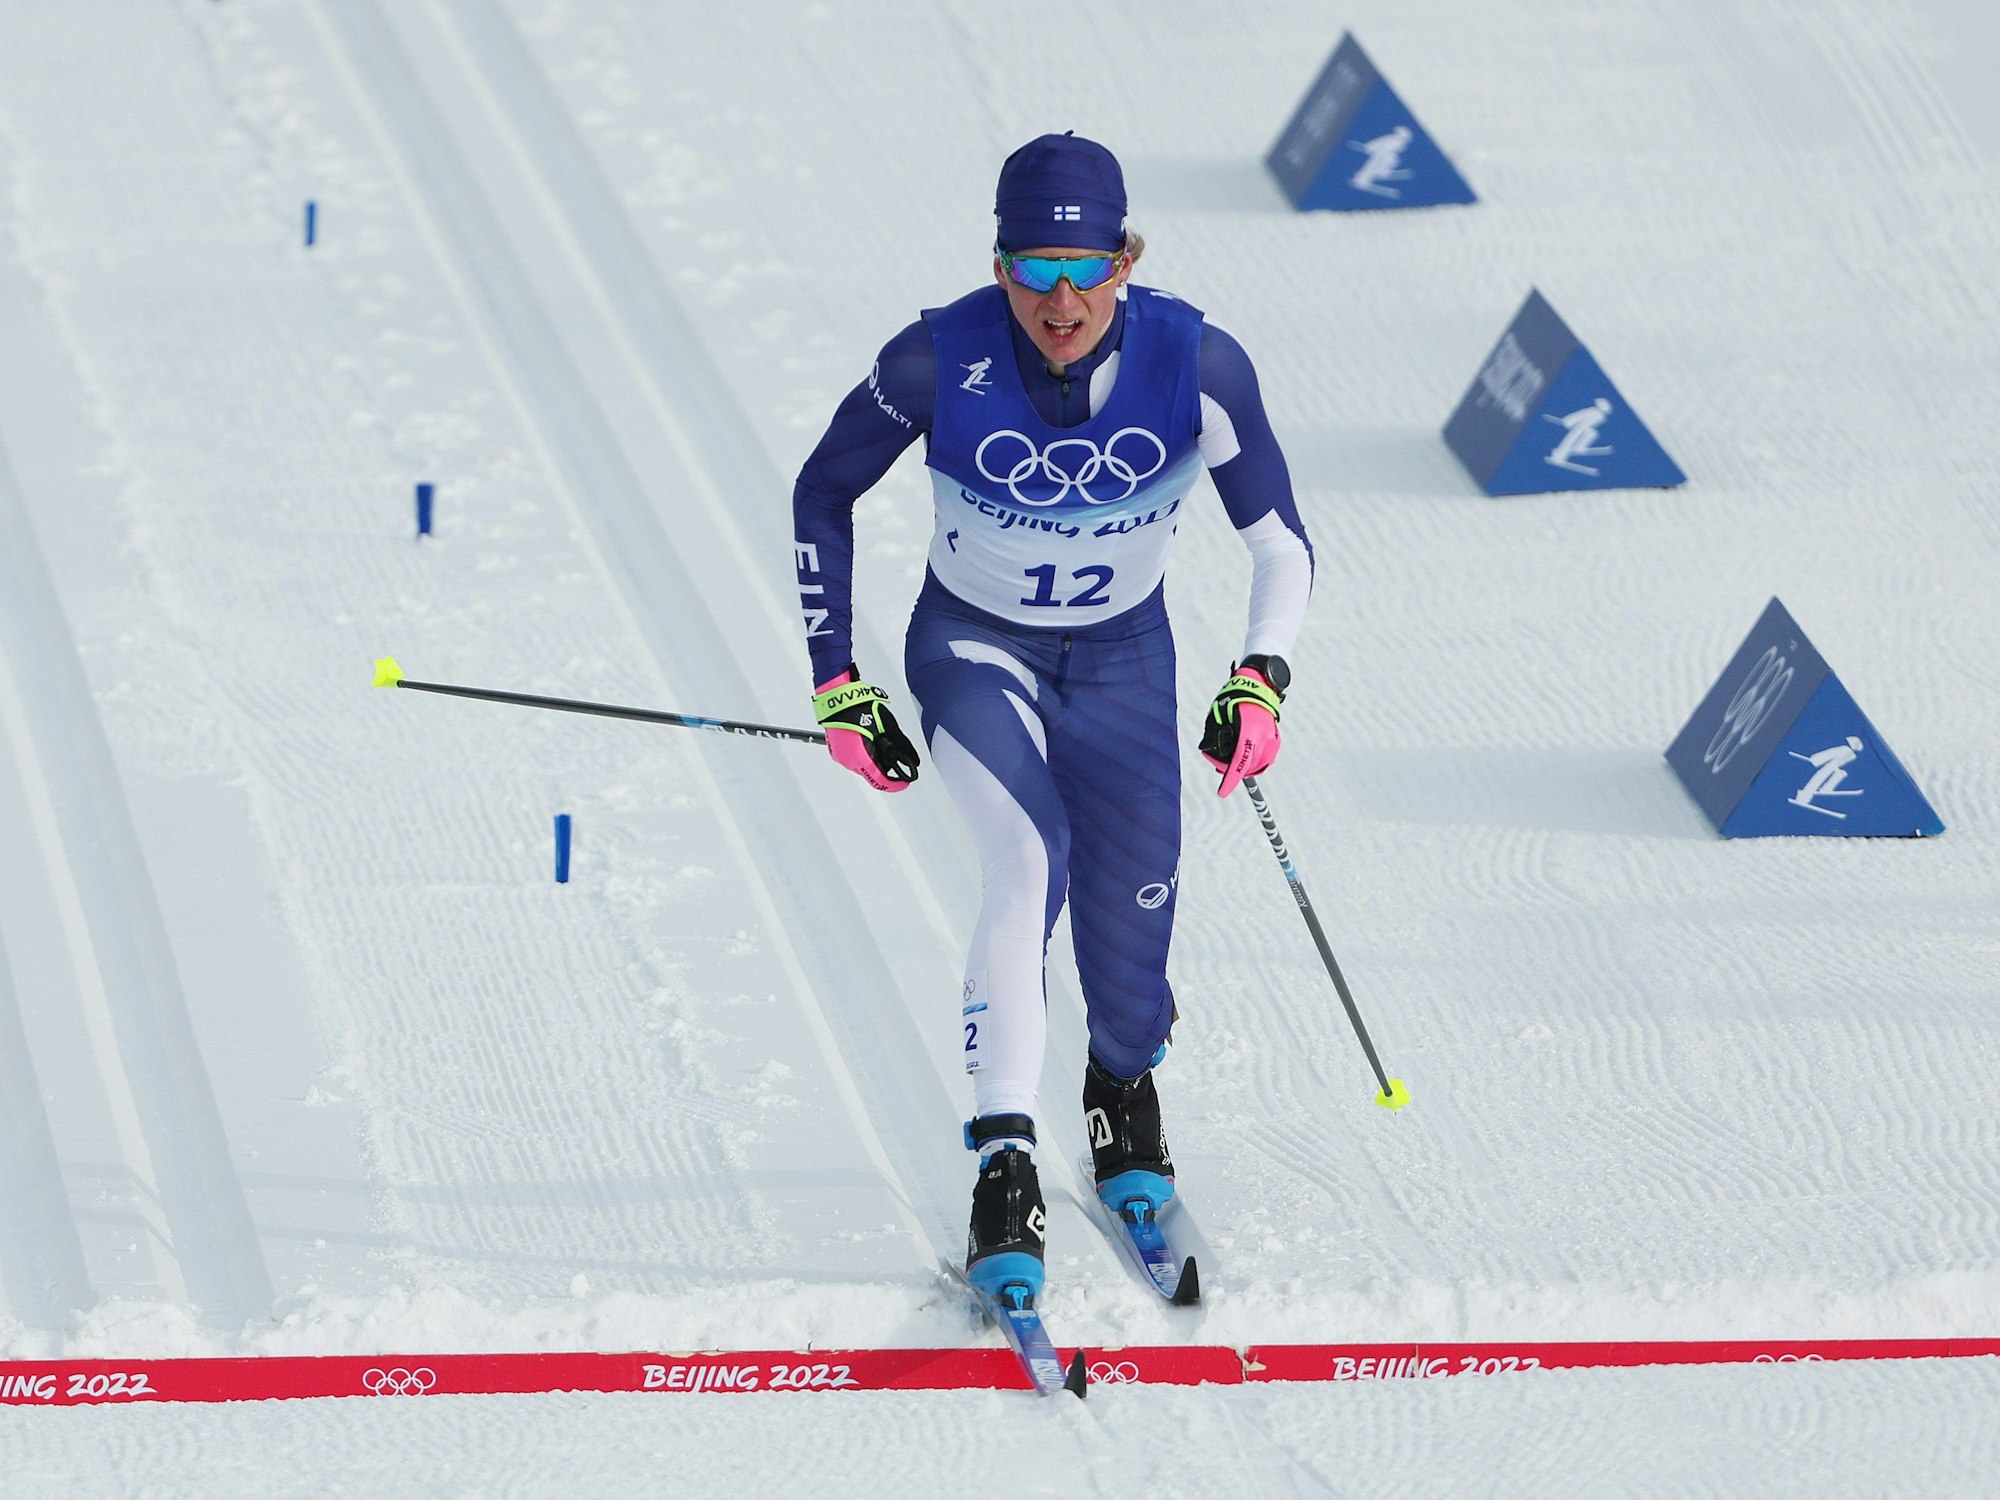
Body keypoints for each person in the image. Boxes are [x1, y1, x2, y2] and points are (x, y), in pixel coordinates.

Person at [791, 132, 1313, 1300]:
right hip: (973, 647)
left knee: (1130, 946)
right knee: (1027, 862)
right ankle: (1004, 1161)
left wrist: (1260, 676)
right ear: (999, 267)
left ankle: (1119, 1092)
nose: (1060, 302)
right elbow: (822, 490)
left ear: (1126, 259)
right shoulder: (933, 362)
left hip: (1124, 661)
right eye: (1033, 270)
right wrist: (837, 679)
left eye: (1085, 269)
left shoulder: (1200, 364)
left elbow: (1279, 542)